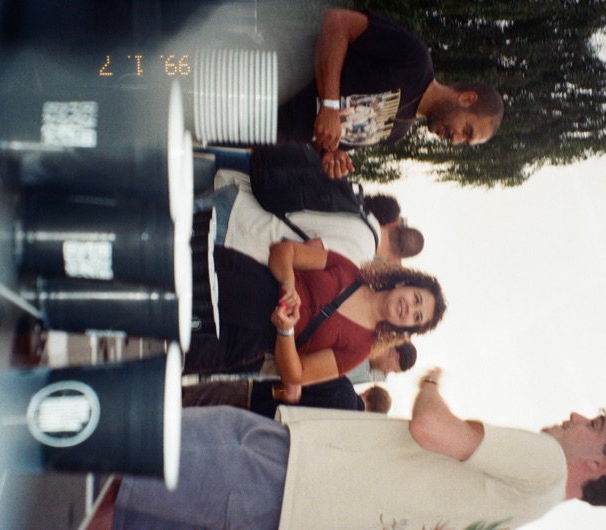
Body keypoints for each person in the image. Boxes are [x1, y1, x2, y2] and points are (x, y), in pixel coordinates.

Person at [112, 368, 606, 529]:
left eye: (597, 425)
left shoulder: (542, 464)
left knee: (118, 453)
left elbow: (431, 429)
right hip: (287, 513)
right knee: (110, 508)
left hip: (287, 471)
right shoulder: (522, 513)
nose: (578, 418)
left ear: (599, 463)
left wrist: (432, 385)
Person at [277, 9, 505, 178]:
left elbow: (322, 136)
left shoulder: (396, 133)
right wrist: (329, 104)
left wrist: (330, 152)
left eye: (464, 141)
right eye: (466, 130)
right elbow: (337, 21)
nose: (455, 141)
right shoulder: (415, 60)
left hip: (265, 130)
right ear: (466, 98)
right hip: (268, 75)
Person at [183, 241, 446, 386]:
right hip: (236, 277)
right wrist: (288, 284)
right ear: (404, 283)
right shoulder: (348, 270)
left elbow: (295, 375)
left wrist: (285, 331)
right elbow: (284, 251)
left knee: (154, 338)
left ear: (406, 330)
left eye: (417, 317)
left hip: (234, 340)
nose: (410, 309)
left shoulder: (359, 349)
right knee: (155, 267)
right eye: (417, 299)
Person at [198, 166, 423, 267]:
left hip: (241, 196)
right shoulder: (359, 253)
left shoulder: (358, 203)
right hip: (239, 232)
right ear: (394, 259)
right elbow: (310, 248)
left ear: (392, 224)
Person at [181, 376, 392, 417]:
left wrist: (272, 392)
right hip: (256, 424)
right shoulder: (344, 425)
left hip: (254, 396)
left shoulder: (344, 385)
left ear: (368, 391)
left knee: (190, 398)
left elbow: (298, 387)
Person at [345, 340, 417, 384]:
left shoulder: (375, 376)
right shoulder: (359, 343)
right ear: (393, 354)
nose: (386, 372)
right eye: (392, 370)